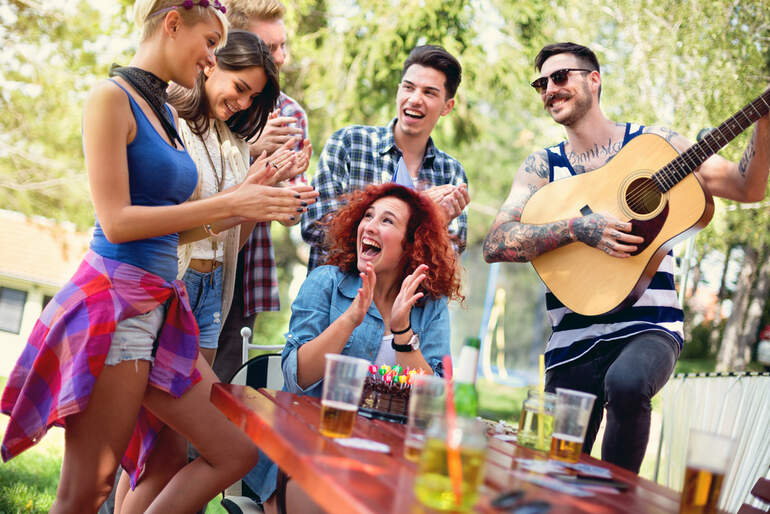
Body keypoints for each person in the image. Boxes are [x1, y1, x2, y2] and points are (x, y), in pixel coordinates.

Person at [0, 1, 309, 512]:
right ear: (171, 24)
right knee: (87, 491)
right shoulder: (110, 98)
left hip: (165, 314)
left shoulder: (164, 113)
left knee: (230, 452)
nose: (212, 58)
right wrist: (234, 201)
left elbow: (180, 229)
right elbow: (117, 223)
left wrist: (249, 202)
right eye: (210, 42)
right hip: (117, 311)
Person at [483, 42, 770, 473]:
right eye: (541, 83)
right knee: (552, 474)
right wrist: (577, 228)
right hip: (570, 343)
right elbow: (496, 242)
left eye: (560, 77)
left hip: (648, 326)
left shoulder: (657, 147)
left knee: (628, 382)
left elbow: (747, 186)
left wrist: (763, 123)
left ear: (594, 79)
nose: (549, 89)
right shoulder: (542, 167)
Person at [247, 182, 463, 513]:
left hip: (388, 465)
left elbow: (434, 405)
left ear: (411, 244)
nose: (370, 226)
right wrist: (350, 318)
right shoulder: (326, 283)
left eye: (387, 221)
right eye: (368, 216)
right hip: (309, 456)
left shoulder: (429, 306)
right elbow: (296, 377)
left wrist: (403, 332)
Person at [171, 29, 313, 367]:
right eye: (240, 88)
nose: (245, 103)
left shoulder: (235, 144)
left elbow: (232, 242)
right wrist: (241, 197)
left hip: (216, 286)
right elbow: (170, 229)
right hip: (177, 280)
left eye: (254, 97)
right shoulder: (173, 123)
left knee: (190, 401)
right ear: (211, 65)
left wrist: (260, 195)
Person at [302, 44, 471, 271]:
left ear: (447, 106)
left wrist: (432, 225)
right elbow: (315, 226)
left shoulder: (452, 174)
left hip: (402, 306)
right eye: (409, 88)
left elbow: (444, 265)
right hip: (333, 302)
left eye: (429, 92)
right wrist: (422, 214)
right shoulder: (349, 143)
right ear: (398, 90)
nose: (415, 99)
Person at [214, 0, 313, 383]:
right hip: (189, 256)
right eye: (268, 48)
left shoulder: (291, 114)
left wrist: (294, 202)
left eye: (283, 46)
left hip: (243, 268)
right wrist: (251, 146)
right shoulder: (201, 94)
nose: (281, 58)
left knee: (218, 388)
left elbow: (290, 205)